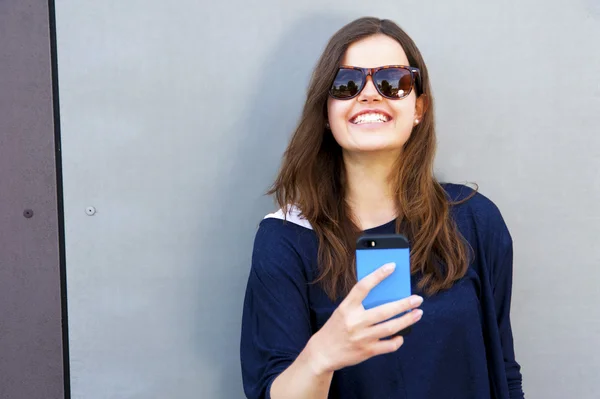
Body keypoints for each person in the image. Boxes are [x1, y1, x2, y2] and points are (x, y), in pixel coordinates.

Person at [240, 16, 524, 399]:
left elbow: (503, 370)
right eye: (346, 84)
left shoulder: (474, 220)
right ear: (326, 113)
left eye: (394, 81)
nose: (370, 94)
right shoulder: (286, 239)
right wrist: (321, 355)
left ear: (419, 107)